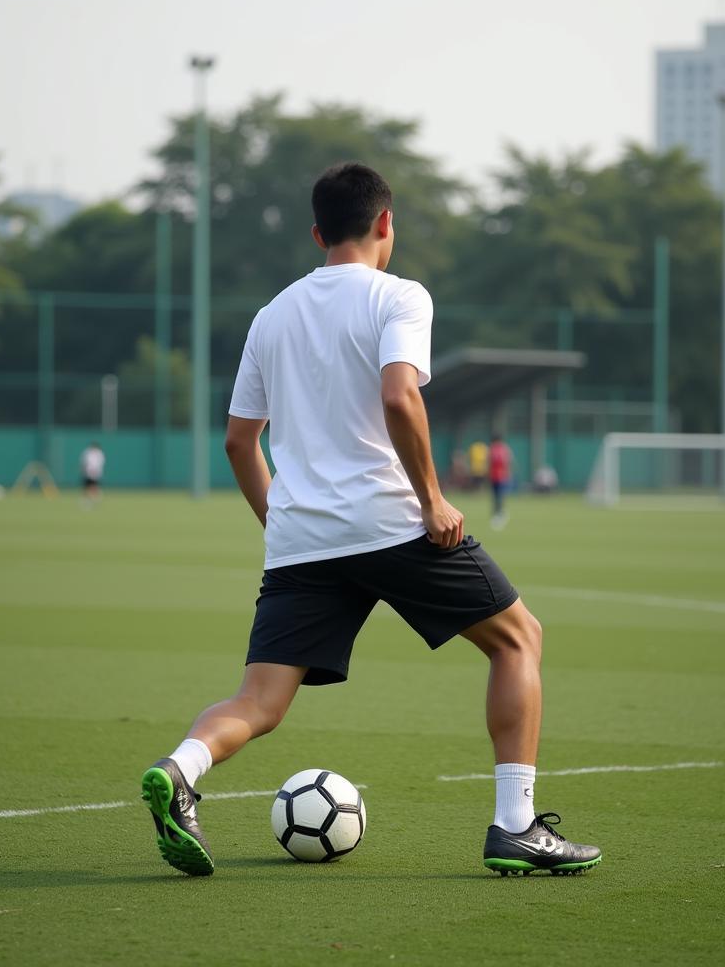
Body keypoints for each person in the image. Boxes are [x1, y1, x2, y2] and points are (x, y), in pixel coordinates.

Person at [140, 163, 600, 878]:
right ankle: (516, 827)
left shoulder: (272, 315)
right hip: (392, 523)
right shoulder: (400, 297)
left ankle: (181, 769)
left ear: (318, 233)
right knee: (518, 640)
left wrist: (281, 521)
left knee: (258, 701)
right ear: (386, 224)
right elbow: (398, 397)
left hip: (302, 540)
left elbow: (238, 440)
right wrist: (433, 499)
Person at [489, 434, 514, 528]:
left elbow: (508, 462)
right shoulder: (499, 449)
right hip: (496, 476)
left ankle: (500, 513)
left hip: (500, 477)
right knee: (496, 496)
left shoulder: (501, 449)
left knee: (499, 496)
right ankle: (497, 513)